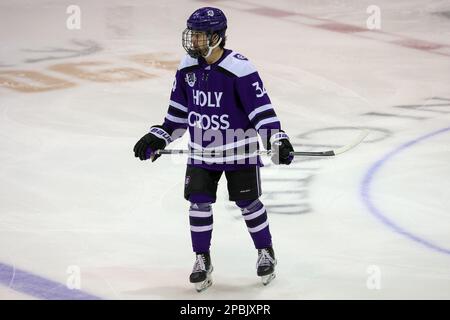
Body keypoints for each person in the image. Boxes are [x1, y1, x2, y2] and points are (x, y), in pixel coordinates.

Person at [133, 7, 294, 292]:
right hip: (201, 153)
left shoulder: (240, 68)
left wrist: (276, 139)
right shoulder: (186, 68)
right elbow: (178, 116)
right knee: (198, 202)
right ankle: (201, 259)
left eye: (199, 35)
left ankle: (265, 252)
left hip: (239, 152)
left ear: (217, 37)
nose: (193, 41)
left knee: (248, 204)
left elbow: (261, 111)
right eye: (192, 35)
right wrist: (159, 137)